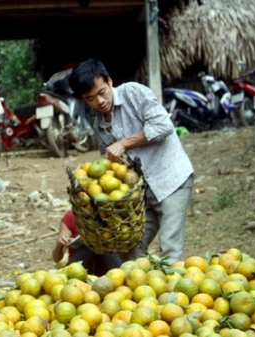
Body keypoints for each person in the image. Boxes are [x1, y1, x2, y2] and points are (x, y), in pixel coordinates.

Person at [68, 59, 194, 266]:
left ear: (109, 81)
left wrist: (124, 143)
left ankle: (172, 293)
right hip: (142, 190)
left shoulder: (133, 93)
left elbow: (163, 126)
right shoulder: (99, 123)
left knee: (170, 250)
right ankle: (145, 287)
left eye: (101, 92)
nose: (99, 101)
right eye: (90, 98)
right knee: (129, 245)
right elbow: (110, 167)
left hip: (172, 178)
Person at [52, 210, 122, 275]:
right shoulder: (71, 217)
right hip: (79, 268)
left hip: (107, 268)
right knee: (87, 246)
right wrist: (59, 246)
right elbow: (57, 259)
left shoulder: (110, 218)